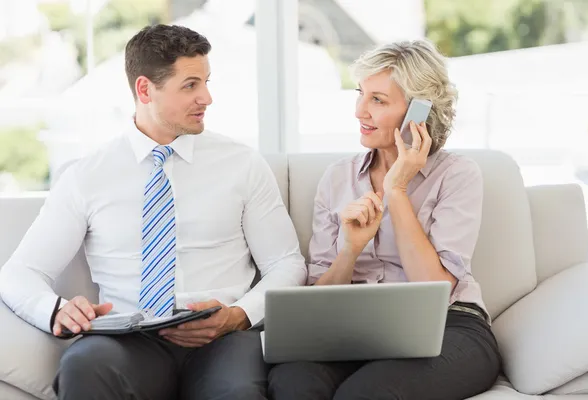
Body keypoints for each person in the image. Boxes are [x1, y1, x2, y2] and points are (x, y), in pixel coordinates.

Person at [0, 24, 307, 400]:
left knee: (237, 392)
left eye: (207, 82)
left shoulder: (242, 164)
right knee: (82, 366)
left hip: (223, 337)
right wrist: (55, 310)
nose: (207, 97)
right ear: (145, 89)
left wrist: (237, 315)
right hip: (129, 338)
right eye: (191, 85)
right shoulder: (86, 176)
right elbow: (19, 273)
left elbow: (287, 263)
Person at [268, 40, 502, 400]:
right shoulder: (336, 179)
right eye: (360, 94)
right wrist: (349, 250)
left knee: (367, 393)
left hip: (448, 326)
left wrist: (397, 189)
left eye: (377, 100)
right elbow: (319, 301)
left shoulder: (457, 175)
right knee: (294, 385)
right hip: (353, 327)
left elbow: (434, 289)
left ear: (419, 112)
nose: (360, 111)